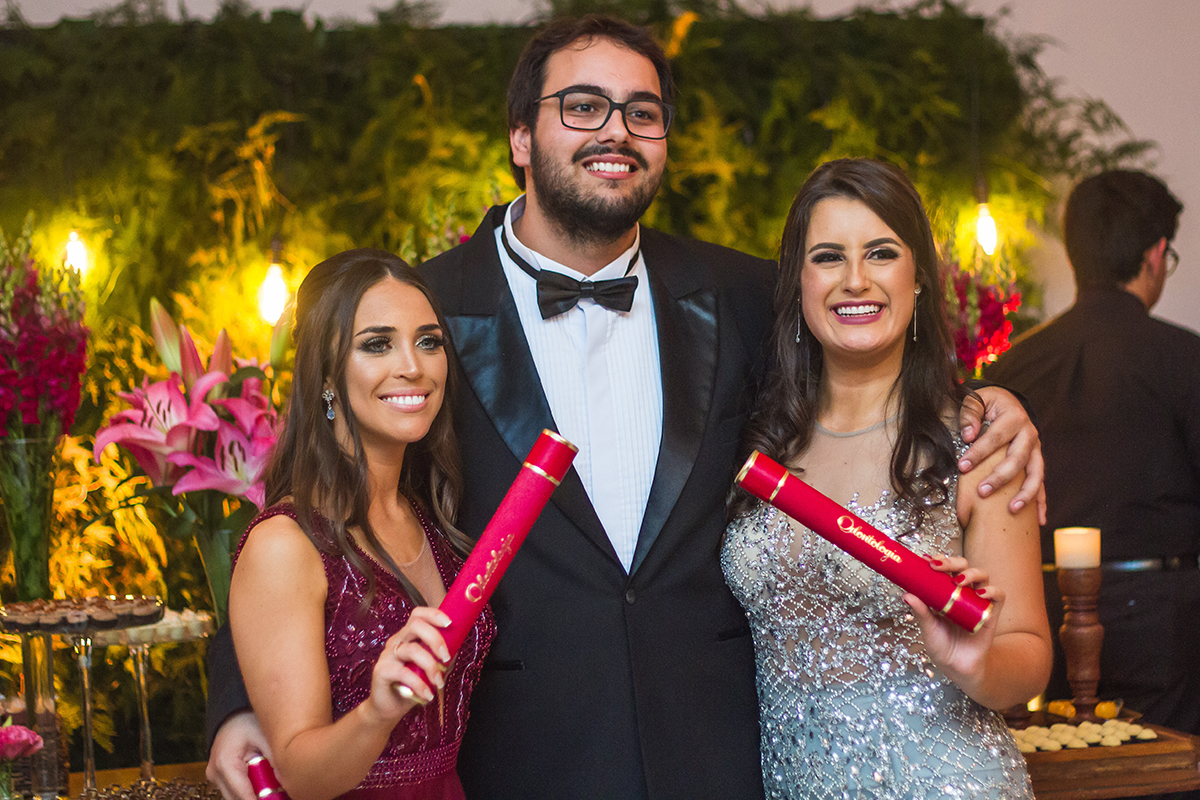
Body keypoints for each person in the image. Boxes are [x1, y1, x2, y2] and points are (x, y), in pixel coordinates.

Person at [208, 17, 1045, 800]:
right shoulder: (422, 314)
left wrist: (990, 404)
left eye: (642, 113)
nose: (616, 131)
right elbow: (320, 510)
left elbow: (875, 372)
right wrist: (241, 699)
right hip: (523, 758)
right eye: (582, 106)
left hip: (721, 755)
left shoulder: (750, 298)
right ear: (519, 137)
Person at [723, 158, 1052, 799]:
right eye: (827, 257)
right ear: (796, 283)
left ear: (919, 277)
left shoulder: (978, 439)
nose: (855, 281)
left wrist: (978, 663)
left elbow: (1030, 654)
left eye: (880, 253)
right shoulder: (758, 436)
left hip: (944, 782)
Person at [227, 248, 495, 800]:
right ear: (325, 374)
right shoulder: (285, 543)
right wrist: (378, 711)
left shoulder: (432, 520)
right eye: (377, 344)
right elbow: (300, 776)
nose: (413, 366)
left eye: (428, 341)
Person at [989, 170, 1200, 743]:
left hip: (1045, 618)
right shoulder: (1186, 359)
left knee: (1065, 770)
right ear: (1156, 255)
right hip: (1166, 626)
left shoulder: (1011, 367)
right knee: (1167, 774)